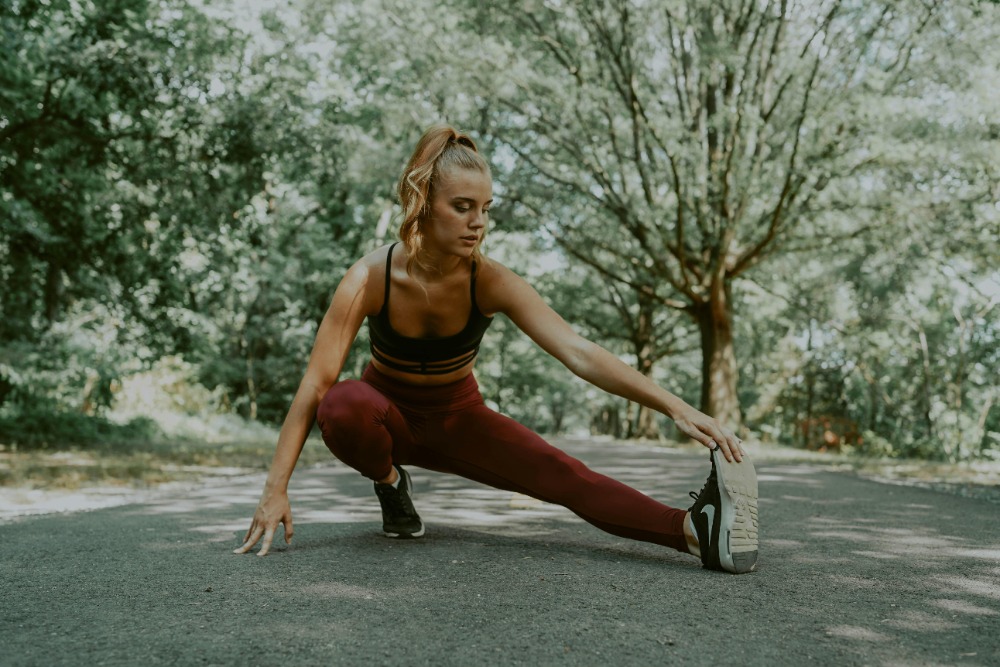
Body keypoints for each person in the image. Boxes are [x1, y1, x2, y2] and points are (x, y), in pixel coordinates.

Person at [233, 125, 759, 574]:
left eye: (485, 208)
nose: (478, 222)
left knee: (563, 474)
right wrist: (274, 489)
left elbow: (578, 351)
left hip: (459, 418)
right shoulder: (368, 279)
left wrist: (677, 407)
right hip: (384, 417)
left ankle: (697, 532)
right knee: (343, 404)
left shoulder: (490, 280)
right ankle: (391, 483)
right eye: (462, 207)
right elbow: (315, 385)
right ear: (422, 204)